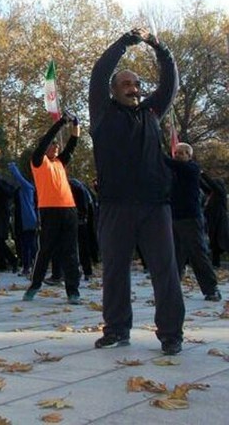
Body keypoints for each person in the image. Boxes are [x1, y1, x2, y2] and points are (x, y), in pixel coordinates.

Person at [89, 26, 185, 355]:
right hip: (115, 206)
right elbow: (99, 72)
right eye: (126, 84)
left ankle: (171, 334)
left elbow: (170, 83)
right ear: (114, 90)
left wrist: (159, 47)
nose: (133, 89)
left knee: (165, 271)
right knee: (115, 270)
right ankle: (116, 329)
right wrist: (124, 42)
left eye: (137, 85)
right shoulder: (102, 113)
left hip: (155, 205)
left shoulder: (151, 113)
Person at [23, 115, 82, 304]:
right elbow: (46, 140)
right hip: (49, 211)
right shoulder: (38, 161)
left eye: (57, 145)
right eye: (53, 145)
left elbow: (72, 143)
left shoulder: (60, 162)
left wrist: (76, 124)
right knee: (45, 250)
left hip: (69, 210)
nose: (56, 147)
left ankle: (73, 291)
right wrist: (60, 123)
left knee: (70, 251)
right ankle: (34, 286)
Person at [166, 143, 221, 301]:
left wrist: (152, 146)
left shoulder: (192, 168)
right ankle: (171, 291)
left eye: (182, 153)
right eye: (176, 152)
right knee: (175, 256)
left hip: (190, 219)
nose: (178, 155)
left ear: (189, 156)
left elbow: (165, 161)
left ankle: (211, 289)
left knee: (197, 254)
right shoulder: (173, 171)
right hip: (174, 218)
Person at [8, 161, 39, 276]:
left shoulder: (27, 187)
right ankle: (32, 266)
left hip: (28, 220)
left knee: (28, 245)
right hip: (27, 220)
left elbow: (19, 177)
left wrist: (12, 166)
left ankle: (29, 267)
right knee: (29, 244)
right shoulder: (27, 188)